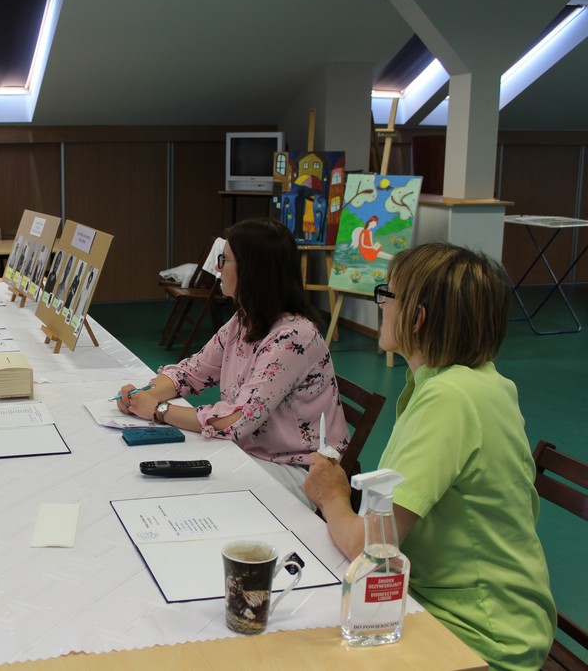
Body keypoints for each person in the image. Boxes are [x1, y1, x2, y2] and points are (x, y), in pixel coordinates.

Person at [303, 243, 556, 671]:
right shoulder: (478, 383)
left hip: (480, 632)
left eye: (387, 295)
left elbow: (372, 546)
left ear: (417, 318)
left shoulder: (448, 398)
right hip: (487, 610)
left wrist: (331, 495)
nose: (381, 305)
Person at [117, 219, 348, 504]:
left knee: (189, 492)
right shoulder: (245, 320)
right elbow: (192, 371)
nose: (218, 269)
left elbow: (239, 420)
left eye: (224, 260)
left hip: (299, 470)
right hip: (253, 452)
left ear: (253, 271)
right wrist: (143, 396)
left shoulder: (293, 337)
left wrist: (158, 410)